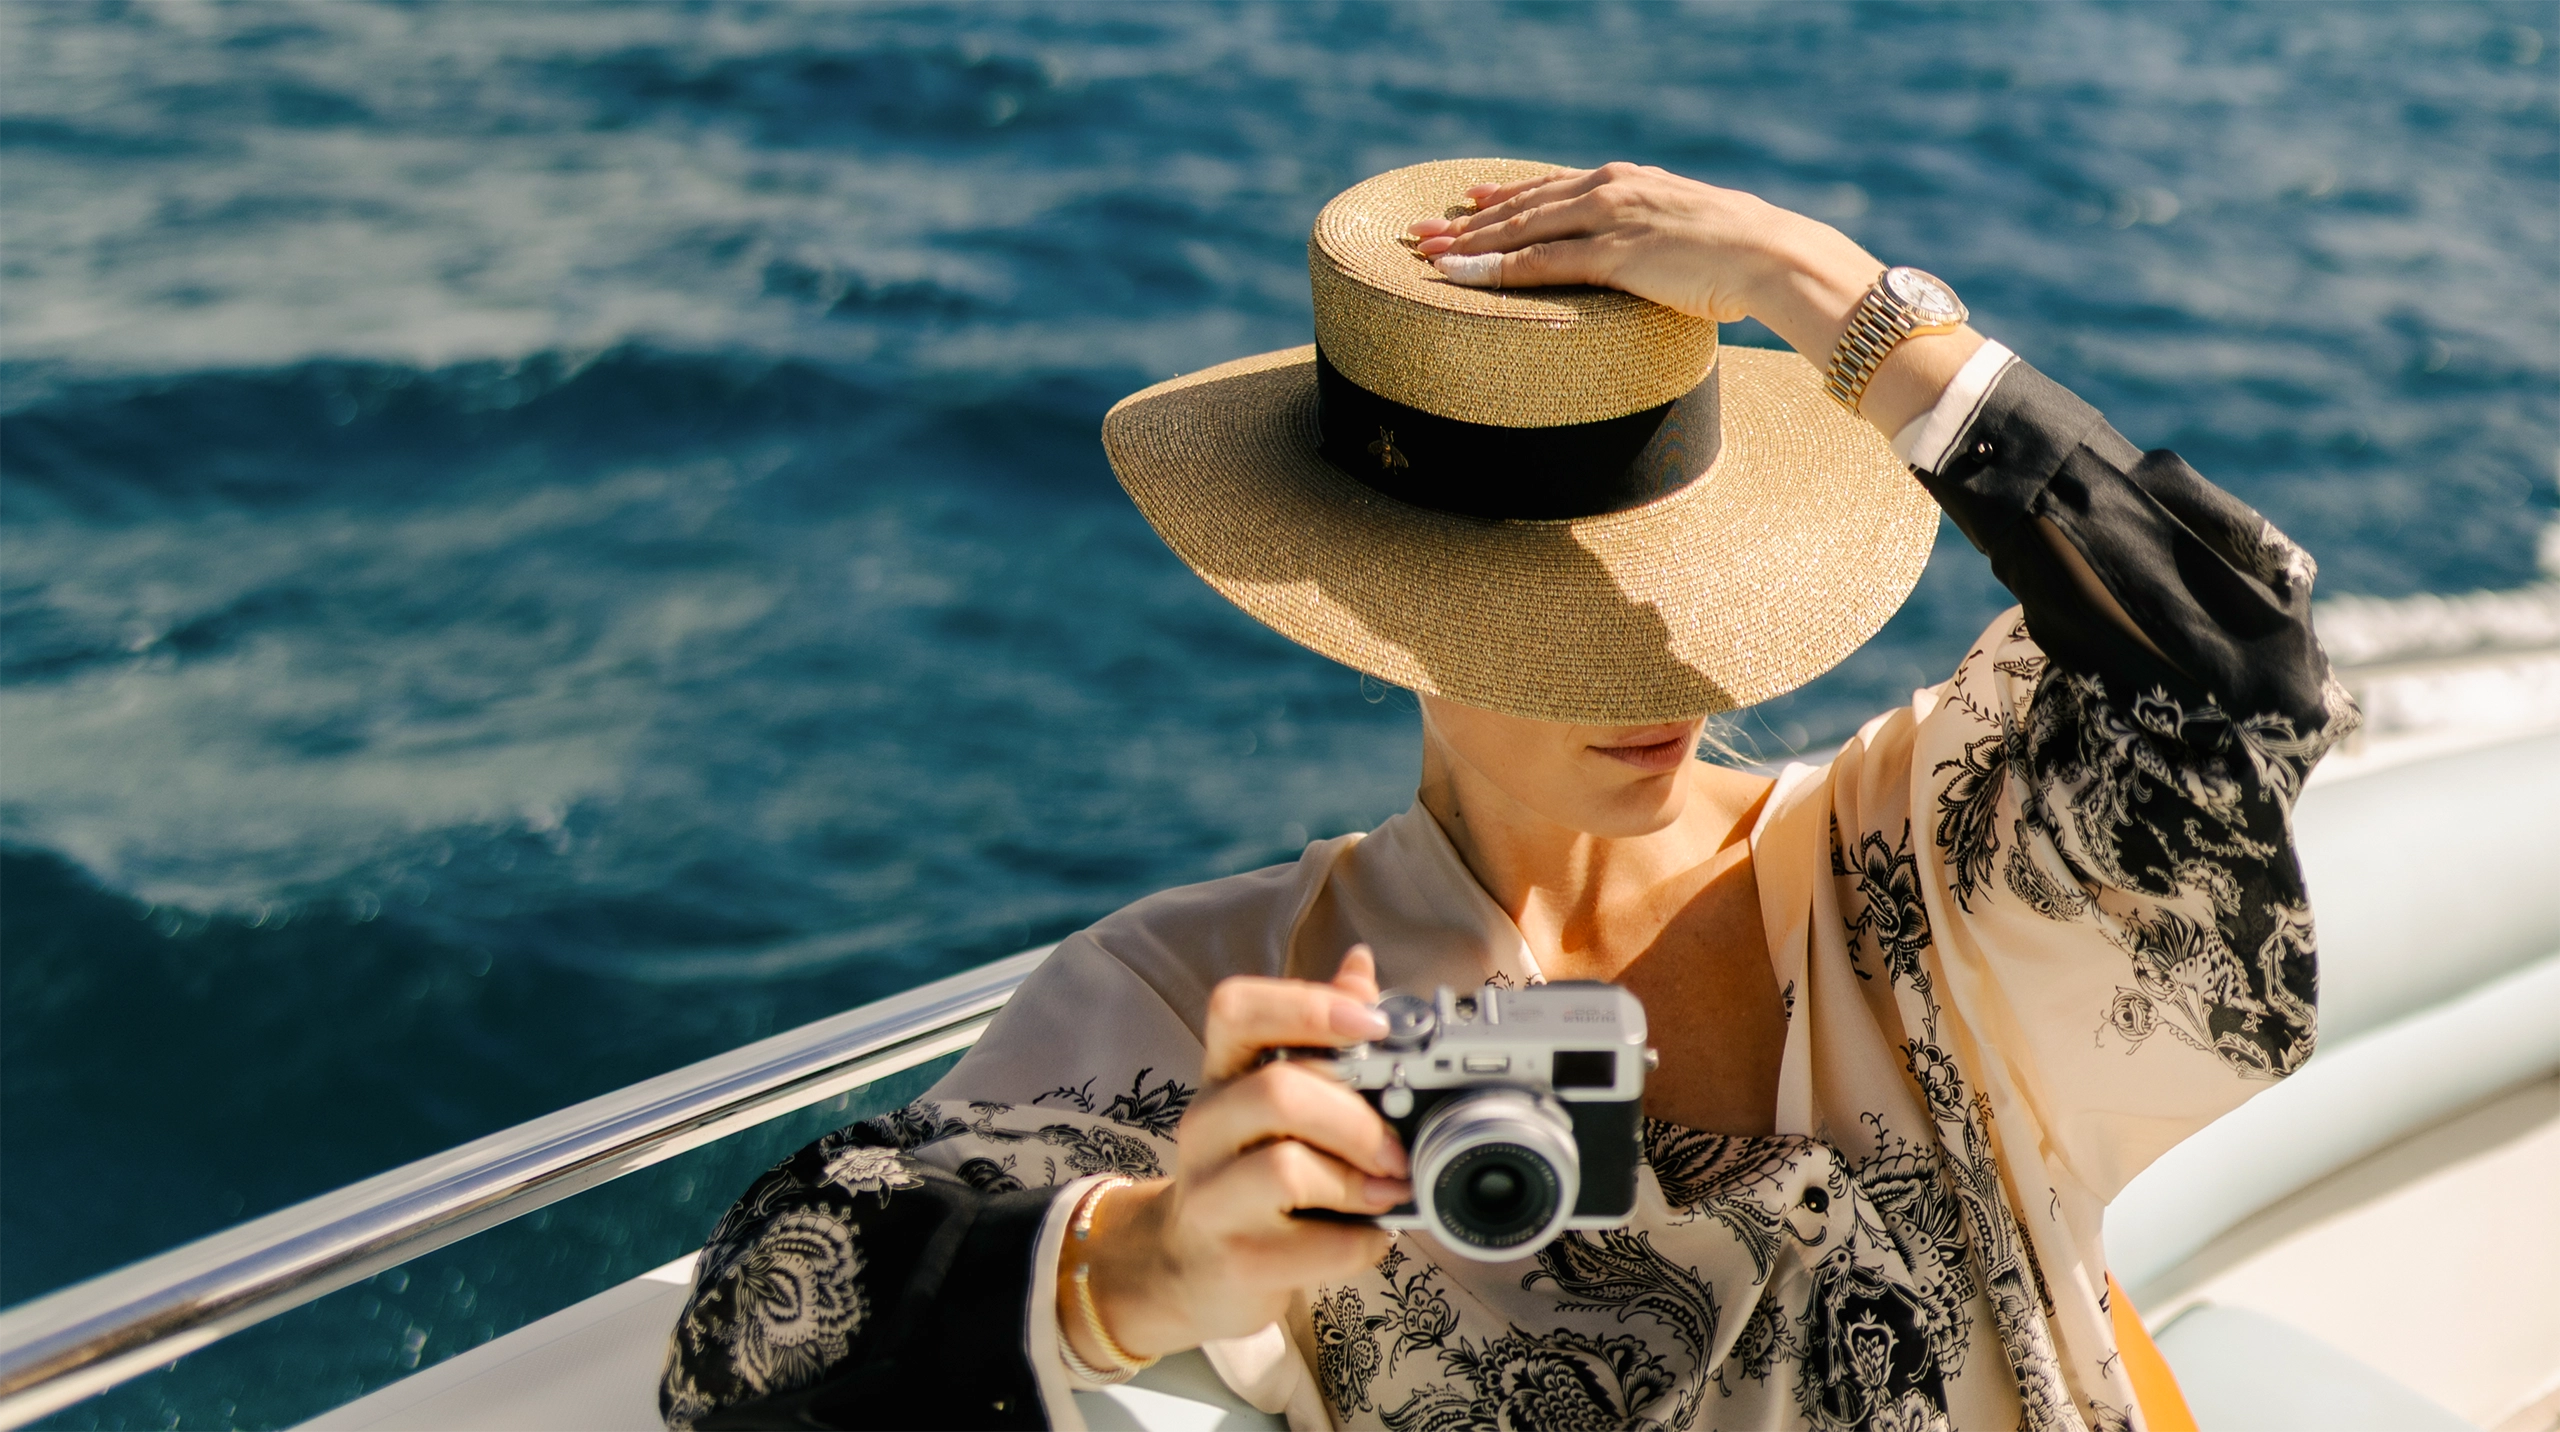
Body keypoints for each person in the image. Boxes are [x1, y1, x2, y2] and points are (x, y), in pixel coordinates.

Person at [658, 160, 2351, 1432]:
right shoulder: (1224, 997)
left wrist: (1822, 286)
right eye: (1550, 632)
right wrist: (1151, 1263)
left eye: (1686, 602)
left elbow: (2235, 676)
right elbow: (753, 1335)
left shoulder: (1916, 855)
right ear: (1383, 615)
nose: (1667, 681)